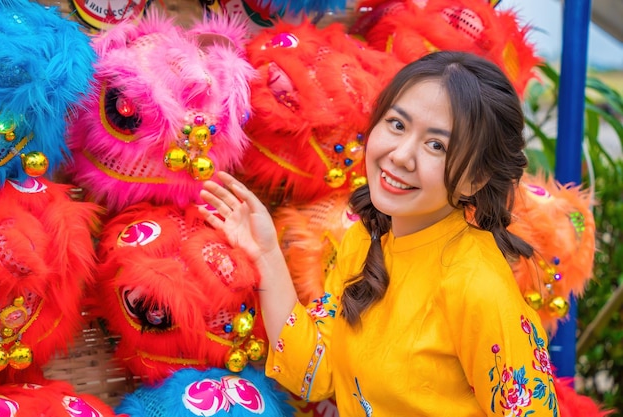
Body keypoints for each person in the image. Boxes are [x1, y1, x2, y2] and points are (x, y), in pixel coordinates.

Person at [199, 51, 560, 417]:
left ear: (476, 179)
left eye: (437, 145)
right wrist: (266, 255)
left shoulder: (477, 285)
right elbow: (316, 373)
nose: (401, 155)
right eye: (397, 125)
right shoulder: (363, 241)